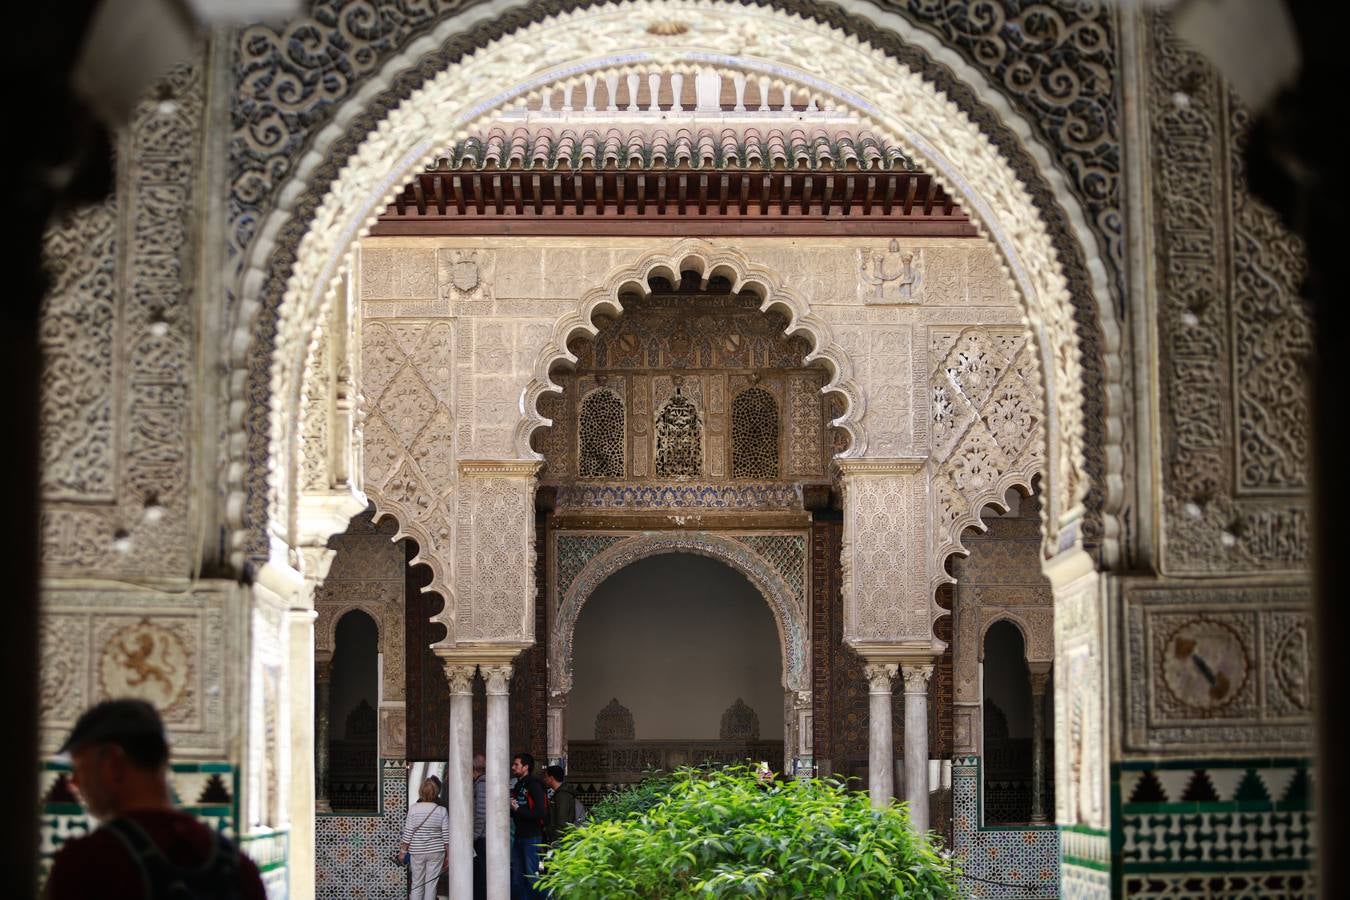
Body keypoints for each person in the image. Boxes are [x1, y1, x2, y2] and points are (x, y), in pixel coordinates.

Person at [44, 698, 266, 900]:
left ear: (113, 763)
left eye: (79, 767)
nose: (73, 783)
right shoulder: (240, 868)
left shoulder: (88, 864)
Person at [400, 777, 450, 900]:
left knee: (417, 884)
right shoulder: (442, 810)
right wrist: (448, 855)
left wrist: (403, 852)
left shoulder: (413, 809)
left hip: (417, 851)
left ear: (421, 792)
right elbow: (446, 836)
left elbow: (408, 832)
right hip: (436, 852)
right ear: (436, 792)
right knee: (431, 885)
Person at [508, 752, 548, 899]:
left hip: (532, 837)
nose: (513, 767)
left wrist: (518, 809)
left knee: (533, 877)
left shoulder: (534, 785)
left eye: (516, 764)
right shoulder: (519, 785)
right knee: (518, 879)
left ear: (526, 767)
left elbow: (540, 812)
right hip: (519, 836)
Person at [541, 765, 580, 845]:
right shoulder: (560, 794)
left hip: (560, 840)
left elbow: (561, 821)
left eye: (546, 777)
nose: (544, 779)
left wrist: (555, 839)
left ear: (551, 778)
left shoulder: (562, 795)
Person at [471, 753, 487, 900]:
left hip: (482, 838)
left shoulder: (482, 784)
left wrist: (474, 836)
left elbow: (481, 813)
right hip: (482, 837)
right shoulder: (480, 783)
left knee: (481, 875)